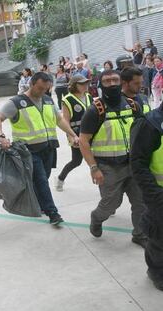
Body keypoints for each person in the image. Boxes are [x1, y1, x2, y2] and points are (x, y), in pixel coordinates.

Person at [0, 72, 79, 225]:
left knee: (42, 178)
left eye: (46, 88)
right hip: (28, 150)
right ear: (31, 84)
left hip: (49, 148)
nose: (42, 91)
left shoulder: (48, 100)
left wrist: (72, 134)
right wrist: (1, 136)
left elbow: (59, 120)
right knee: (41, 180)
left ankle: (40, 204)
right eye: (39, 88)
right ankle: (53, 213)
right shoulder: (16, 102)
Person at [79, 70, 148, 247]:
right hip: (108, 167)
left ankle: (139, 234)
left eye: (115, 80)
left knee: (140, 202)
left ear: (121, 82)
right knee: (111, 204)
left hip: (133, 165)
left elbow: (142, 132)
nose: (111, 84)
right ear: (100, 85)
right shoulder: (95, 111)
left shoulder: (133, 106)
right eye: (107, 81)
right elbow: (83, 141)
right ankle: (96, 218)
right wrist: (94, 168)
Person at [130, 102, 163, 291]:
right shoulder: (151, 123)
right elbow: (138, 163)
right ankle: (157, 272)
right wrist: (154, 195)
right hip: (159, 194)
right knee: (159, 236)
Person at [55, 74, 93, 191]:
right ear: (74, 85)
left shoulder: (88, 96)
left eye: (86, 83)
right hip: (77, 133)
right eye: (82, 83)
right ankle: (60, 179)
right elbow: (65, 120)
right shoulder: (68, 99)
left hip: (92, 132)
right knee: (76, 161)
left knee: (98, 158)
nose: (85, 85)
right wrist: (72, 137)